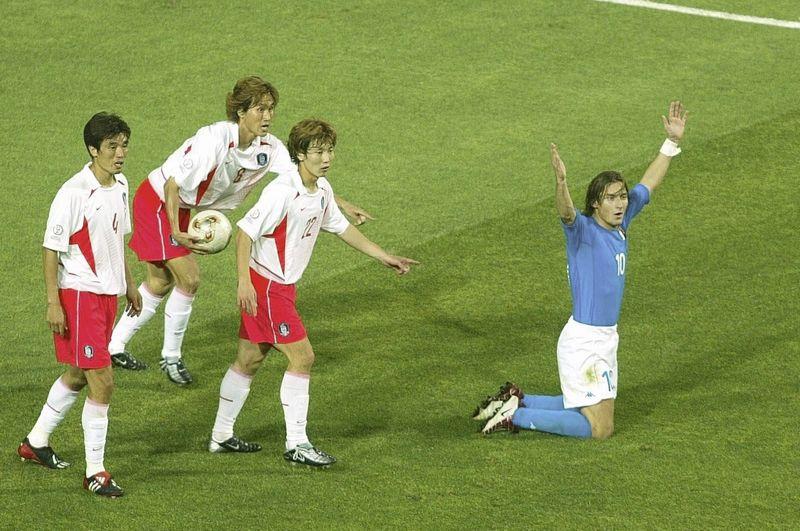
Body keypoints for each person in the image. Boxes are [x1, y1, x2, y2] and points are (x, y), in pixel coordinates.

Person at [107, 76, 373, 384]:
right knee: (189, 278)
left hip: (183, 206)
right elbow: (172, 185)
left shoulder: (268, 147)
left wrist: (342, 204)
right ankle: (171, 357)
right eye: (260, 109)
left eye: (271, 108)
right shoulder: (214, 140)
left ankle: (114, 346)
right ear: (241, 112)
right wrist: (176, 231)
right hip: (158, 201)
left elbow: (303, 175)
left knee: (160, 281)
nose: (268, 116)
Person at [208, 118, 418, 466]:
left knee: (249, 360)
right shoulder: (282, 191)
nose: (326, 158)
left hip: (280, 287)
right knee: (303, 357)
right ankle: (297, 444)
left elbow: (342, 228)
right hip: (268, 287)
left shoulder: (322, 190)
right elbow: (245, 232)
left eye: (329, 150)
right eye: (318, 152)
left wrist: (385, 257)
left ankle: (220, 436)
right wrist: (243, 282)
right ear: (300, 154)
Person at [476, 101, 688, 439]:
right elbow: (566, 213)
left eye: (622, 196)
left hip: (605, 338)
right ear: (595, 204)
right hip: (584, 342)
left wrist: (671, 142)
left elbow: (648, 183)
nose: (620, 204)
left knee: (586, 410)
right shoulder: (583, 233)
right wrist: (561, 182)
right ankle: (516, 416)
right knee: (600, 429)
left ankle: (517, 399)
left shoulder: (621, 224)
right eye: (611, 198)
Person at [18, 113, 142, 498]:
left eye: (124, 145)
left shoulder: (121, 185)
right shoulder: (73, 192)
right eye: (112, 147)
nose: (120, 153)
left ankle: (35, 442)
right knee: (102, 380)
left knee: (77, 374)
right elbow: (50, 249)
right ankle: (95, 472)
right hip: (79, 296)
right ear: (93, 150)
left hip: (107, 297)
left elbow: (116, 239)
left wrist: (129, 284)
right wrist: (53, 303)